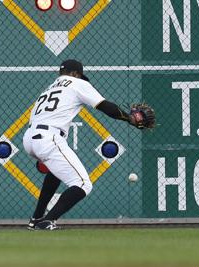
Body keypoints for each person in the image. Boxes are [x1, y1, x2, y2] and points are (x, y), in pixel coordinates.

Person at [23, 59, 135, 230]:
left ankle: (36, 218)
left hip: (30, 138)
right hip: (49, 136)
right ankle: (47, 221)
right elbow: (105, 106)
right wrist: (129, 118)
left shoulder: (51, 87)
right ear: (75, 73)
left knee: (55, 172)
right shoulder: (77, 82)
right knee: (83, 184)